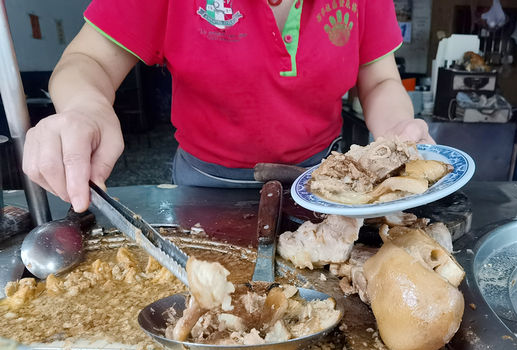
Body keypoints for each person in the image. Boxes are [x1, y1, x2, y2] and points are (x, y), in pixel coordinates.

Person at [23, 0, 434, 213]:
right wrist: (85, 108)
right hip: (206, 186)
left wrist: (398, 130)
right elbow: (87, 61)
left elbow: (379, 80)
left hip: (327, 181)